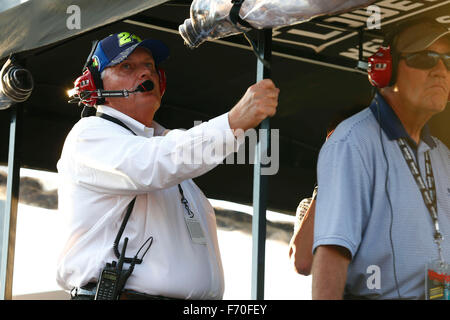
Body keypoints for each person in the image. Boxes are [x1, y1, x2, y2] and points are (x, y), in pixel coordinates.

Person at [56, 32, 279, 300]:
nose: (143, 73)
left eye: (149, 65)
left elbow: (170, 156)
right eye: (127, 66)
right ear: (93, 84)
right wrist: (233, 122)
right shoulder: (89, 135)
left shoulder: (167, 146)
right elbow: (156, 163)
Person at [311, 18, 450, 299]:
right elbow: (331, 258)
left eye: (448, 61)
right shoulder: (353, 143)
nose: (440, 71)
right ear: (385, 69)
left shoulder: (442, 155)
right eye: (425, 58)